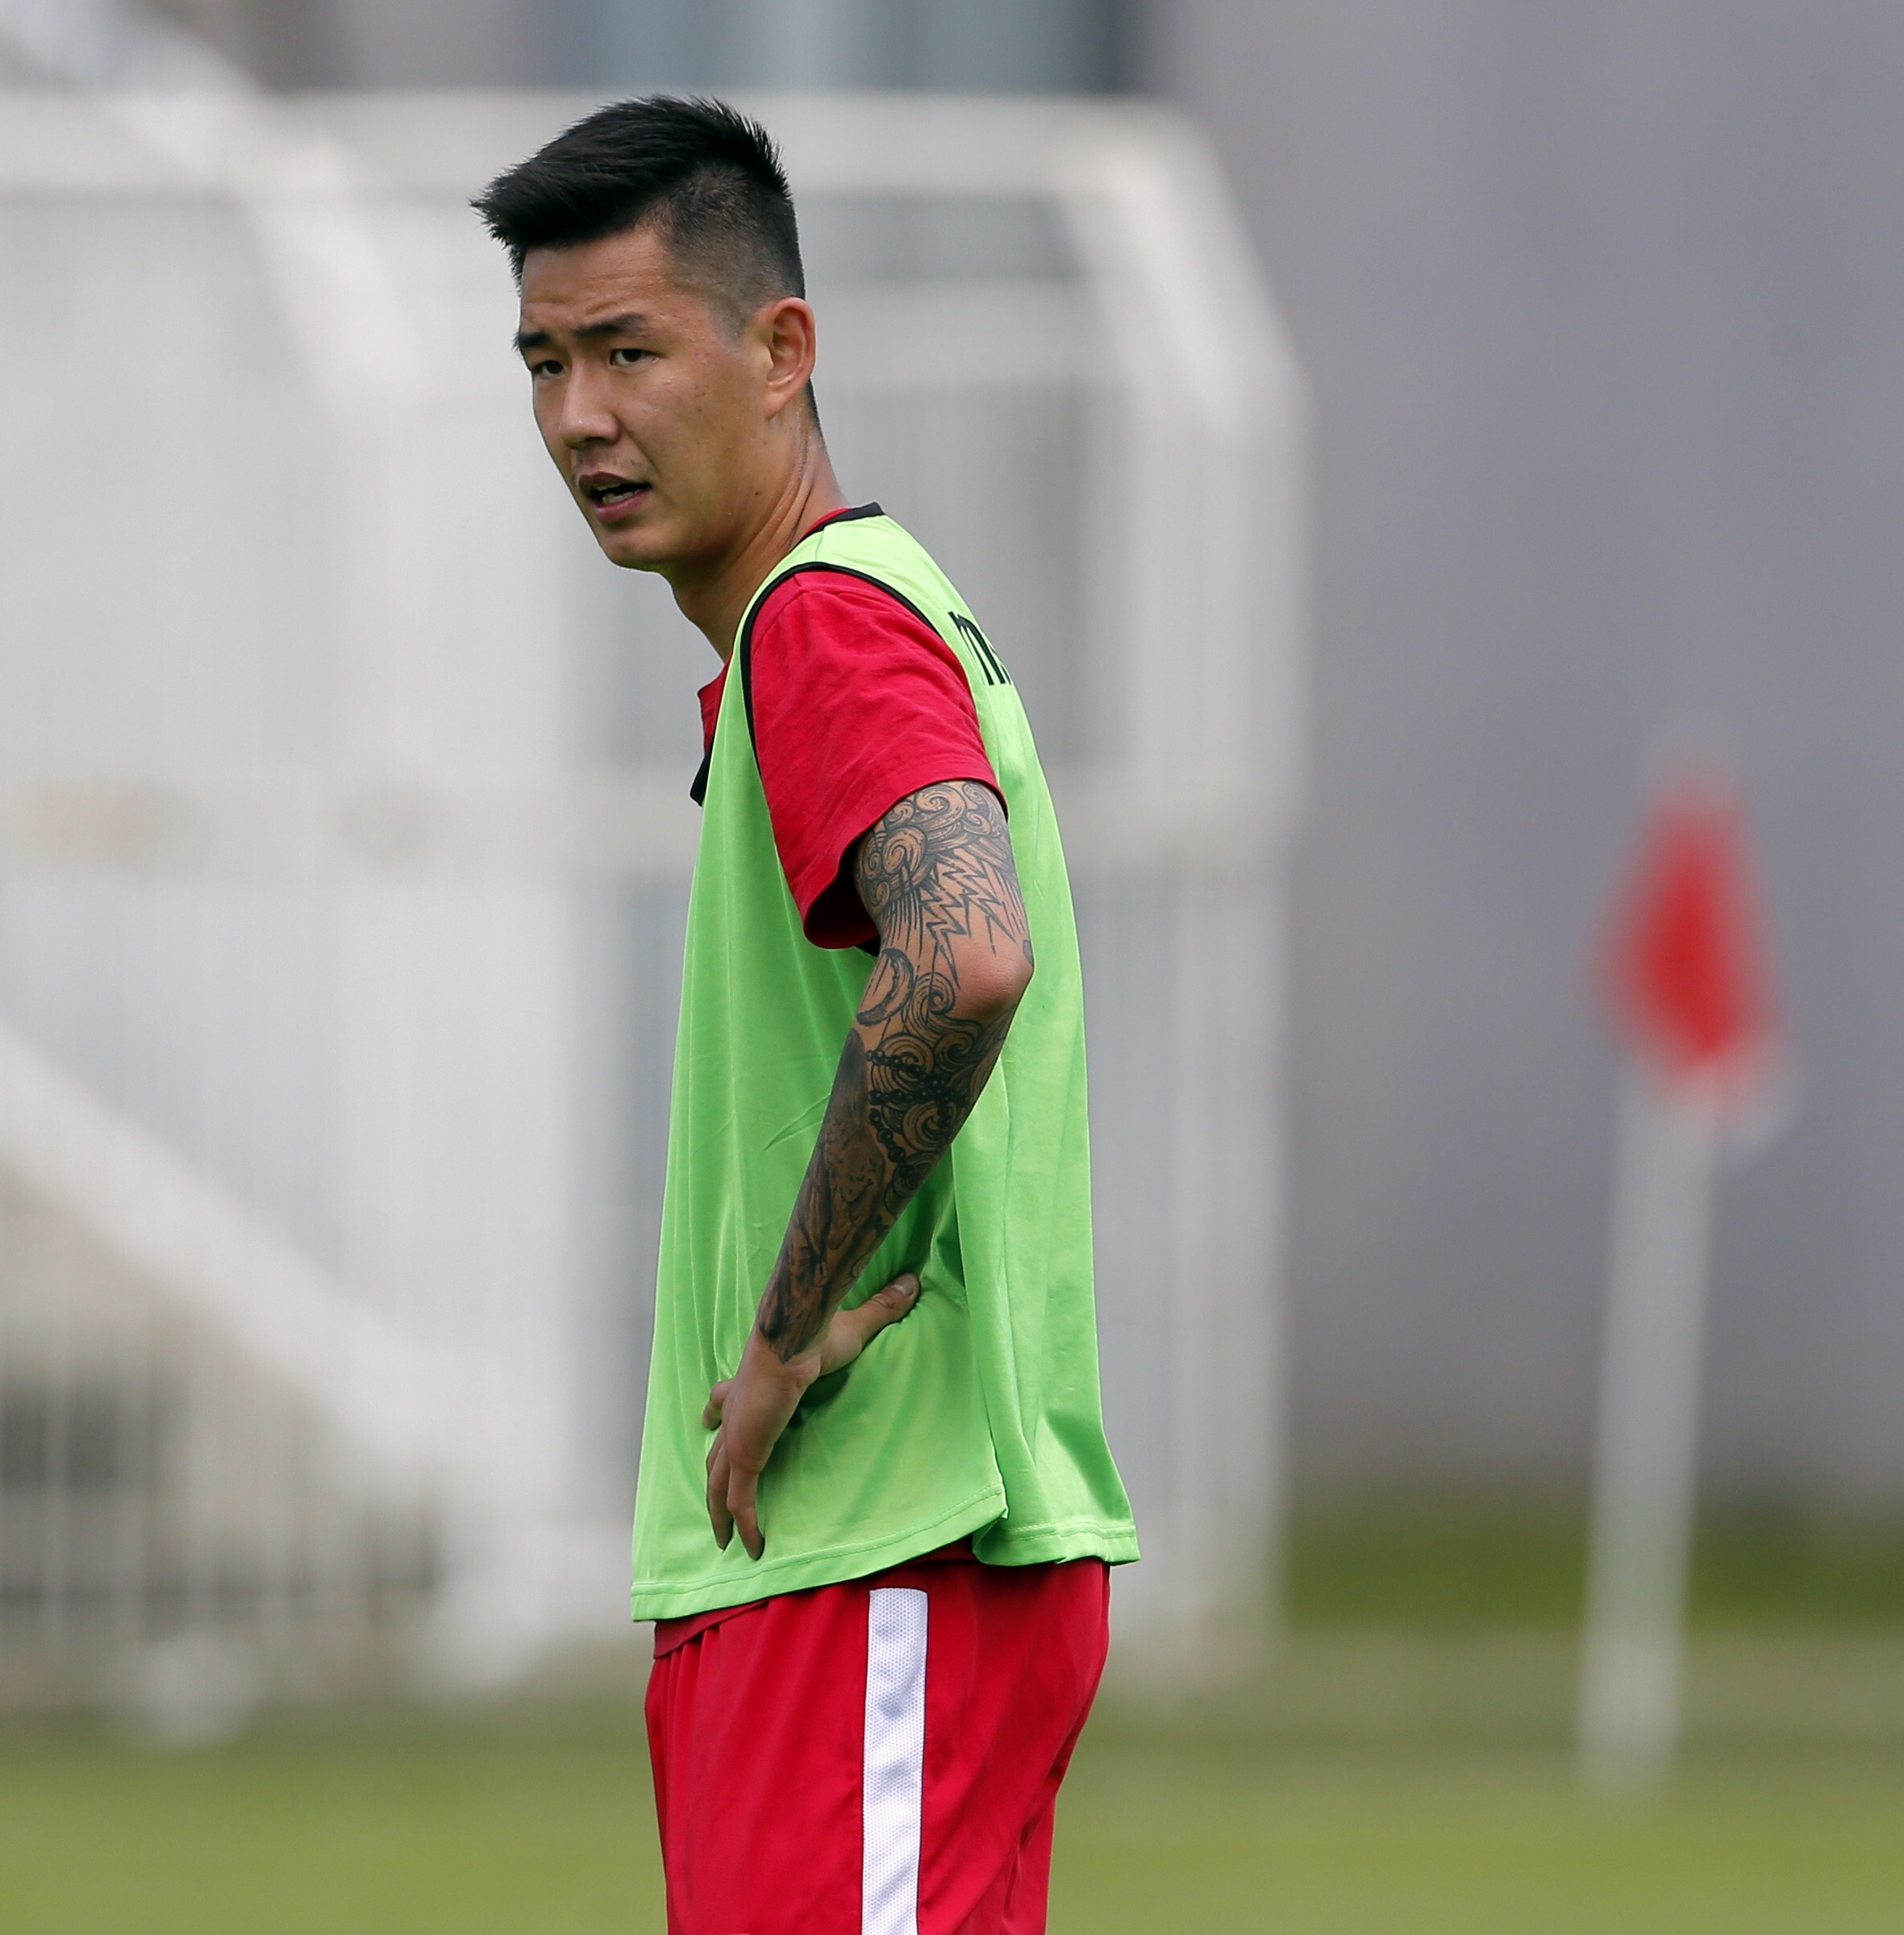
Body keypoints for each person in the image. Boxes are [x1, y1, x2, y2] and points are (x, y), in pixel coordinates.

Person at [477, 97, 1137, 1935]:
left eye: (627, 351)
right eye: (543, 362)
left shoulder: (823, 626)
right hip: (862, 1573)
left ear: (784, 352)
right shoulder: (845, 624)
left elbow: (966, 951)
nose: (580, 418)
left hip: (877, 1552)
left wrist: (777, 1339)